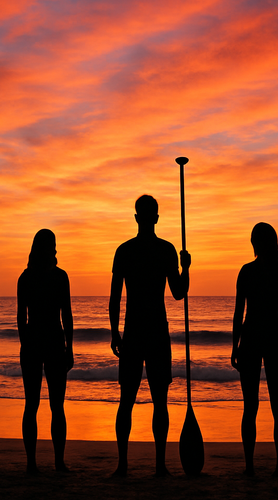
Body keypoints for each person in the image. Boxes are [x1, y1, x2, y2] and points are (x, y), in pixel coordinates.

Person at [109, 195, 191, 477]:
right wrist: (186, 268)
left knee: (127, 399)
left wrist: (114, 332)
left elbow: (114, 299)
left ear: (137, 218)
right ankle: (159, 465)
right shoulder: (165, 250)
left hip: (134, 330)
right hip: (155, 329)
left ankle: (124, 464)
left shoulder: (125, 250)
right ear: (155, 217)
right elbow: (180, 293)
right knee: (159, 400)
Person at [231, 223, 278, 477]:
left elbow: (239, 313)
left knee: (250, 406)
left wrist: (234, 345)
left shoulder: (247, 271)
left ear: (255, 244)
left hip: (251, 336)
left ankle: (250, 465)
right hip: (274, 336)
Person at [17, 229, 74, 474]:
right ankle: (53, 461)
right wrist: (69, 347)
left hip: (37, 341)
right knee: (53, 405)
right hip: (50, 340)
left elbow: (22, 317)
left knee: (36, 405)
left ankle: (36, 462)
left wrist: (24, 342)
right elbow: (66, 316)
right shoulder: (58, 277)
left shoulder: (27, 277)